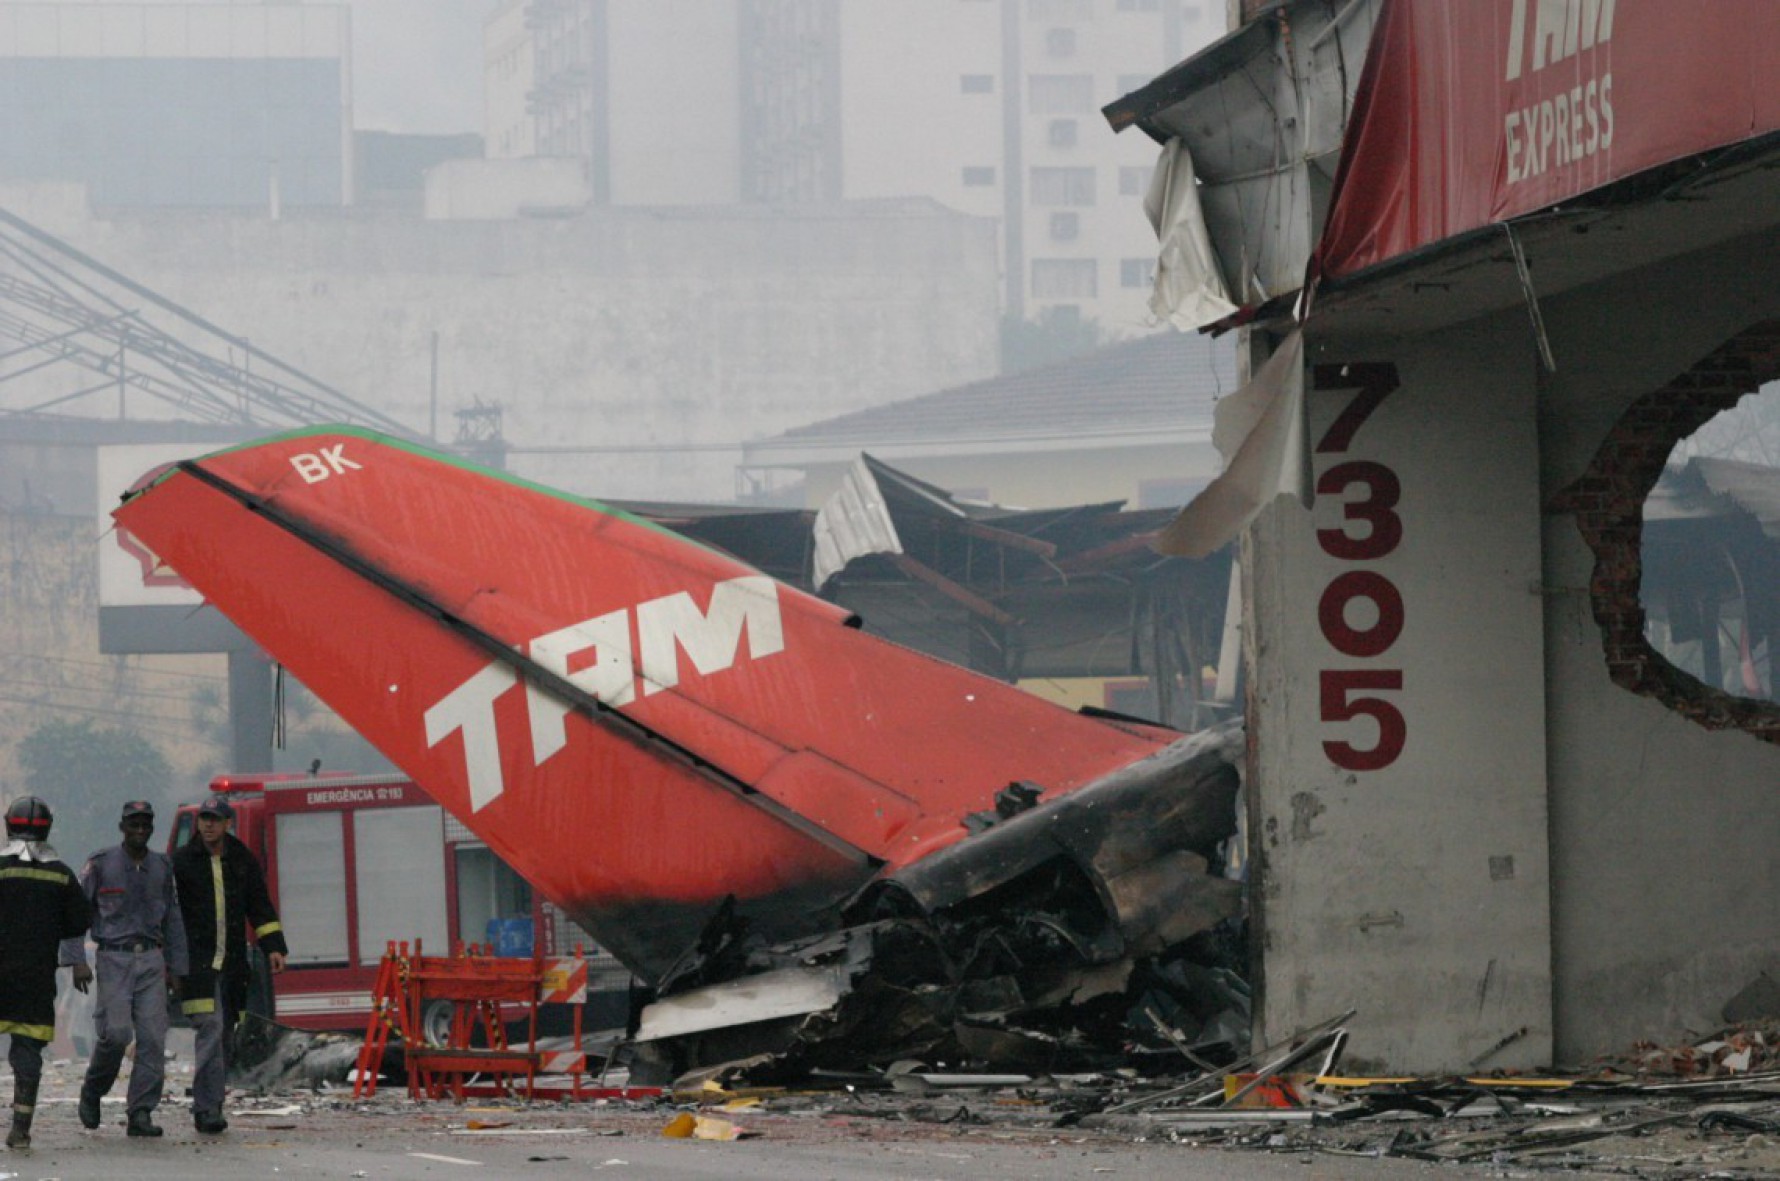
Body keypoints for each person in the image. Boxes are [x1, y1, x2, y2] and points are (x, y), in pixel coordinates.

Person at [61, 800, 188, 1139]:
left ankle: (141, 1111)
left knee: (151, 1038)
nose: (140, 829)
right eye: (134, 823)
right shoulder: (101, 864)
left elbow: (173, 918)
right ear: (122, 827)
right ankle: (93, 1090)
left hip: (151, 959)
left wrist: (177, 966)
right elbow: (76, 912)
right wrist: (76, 960)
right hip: (113, 958)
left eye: (146, 823)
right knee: (116, 1034)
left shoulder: (161, 867)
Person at [172, 794, 287, 1135]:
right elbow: (170, 915)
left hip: (233, 966)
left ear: (227, 823)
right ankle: (205, 1107)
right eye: (203, 818)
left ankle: (213, 1103)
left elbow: (259, 905)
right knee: (209, 1028)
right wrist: (171, 964)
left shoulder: (241, 859)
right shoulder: (182, 862)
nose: (207, 824)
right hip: (198, 968)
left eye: (214, 819)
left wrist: (274, 947)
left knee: (223, 1035)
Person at [0, 796, 91, 1150]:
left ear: (9, 825)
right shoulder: (62, 876)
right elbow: (74, 927)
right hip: (35, 980)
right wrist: (77, 964)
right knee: (27, 1052)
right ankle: (20, 1127)